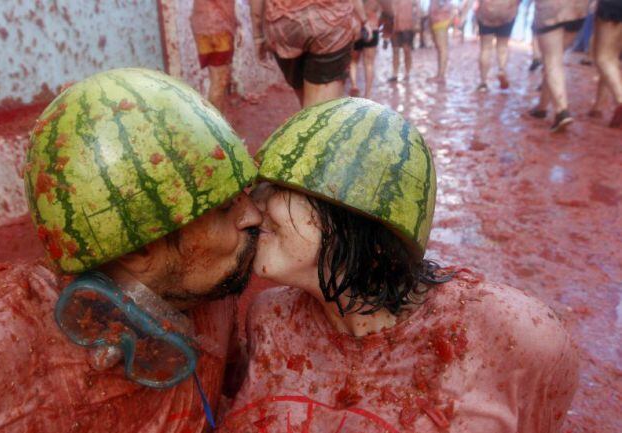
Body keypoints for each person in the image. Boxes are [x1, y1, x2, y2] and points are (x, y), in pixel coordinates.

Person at [0, 68, 263, 433]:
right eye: (225, 209)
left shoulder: (210, 296)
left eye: (244, 194)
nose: (254, 216)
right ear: (139, 249)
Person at [218, 98, 580, 432]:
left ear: (358, 214)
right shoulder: (269, 318)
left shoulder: (514, 337)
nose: (250, 209)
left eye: (277, 187)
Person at [249, 0, 357, 107]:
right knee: (320, 115)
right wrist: (361, 17)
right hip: (329, 21)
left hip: (283, 24)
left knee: (307, 109)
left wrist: (258, 36)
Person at [528, 0, 590, 132]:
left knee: (552, 60)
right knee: (554, 58)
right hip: (578, 10)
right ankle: (542, 107)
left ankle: (562, 111)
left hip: (551, 9)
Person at [190, 0, 238, 112]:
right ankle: (214, 125)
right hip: (220, 29)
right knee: (219, 82)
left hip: (201, 27)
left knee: (215, 79)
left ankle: (219, 119)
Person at [474, 0, 521, 92]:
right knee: (503, 46)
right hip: (507, 12)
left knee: (485, 48)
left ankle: (483, 82)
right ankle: (501, 70)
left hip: (486, 12)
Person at [592, 0, 622, 127]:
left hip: (612, 5)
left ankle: (620, 99)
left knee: (602, 58)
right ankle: (598, 105)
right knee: (612, 57)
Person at [349, 0, 382, 98]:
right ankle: (368, 94)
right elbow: (381, 10)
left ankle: (354, 84)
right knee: (369, 64)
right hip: (372, 27)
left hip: (356, 28)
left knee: (353, 61)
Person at [389, 0, 419, 81]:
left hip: (407, 26)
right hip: (394, 26)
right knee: (395, 51)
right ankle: (395, 73)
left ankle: (407, 72)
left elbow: (417, 9)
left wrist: (416, 23)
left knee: (407, 50)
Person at [429, 0, 455, 82]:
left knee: (442, 48)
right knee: (440, 49)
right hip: (438, 19)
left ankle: (441, 75)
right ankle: (440, 74)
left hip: (441, 19)